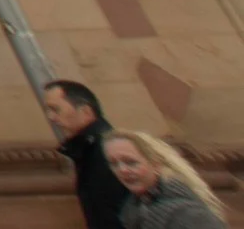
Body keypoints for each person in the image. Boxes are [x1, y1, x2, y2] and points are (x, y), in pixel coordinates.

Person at [103, 129, 227, 227]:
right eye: (114, 164)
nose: (122, 170)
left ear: (156, 165)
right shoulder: (134, 210)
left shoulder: (187, 214)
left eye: (131, 162)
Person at [49, 78, 128, 229]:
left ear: (86, 111)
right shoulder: (88, 149)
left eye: (56, 109)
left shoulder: (107, 150)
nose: (51, 117)